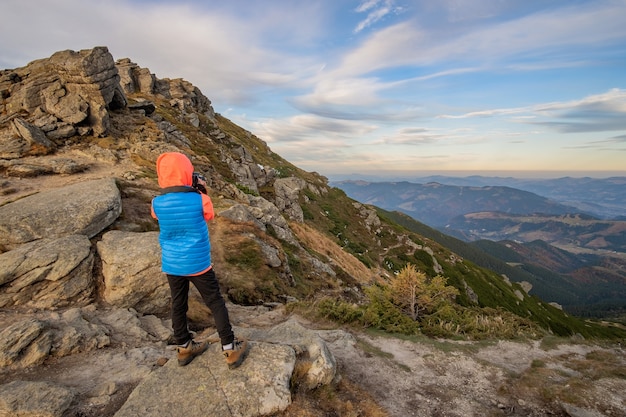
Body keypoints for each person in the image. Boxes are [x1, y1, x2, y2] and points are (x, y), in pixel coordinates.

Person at [151, 151, 248, 369]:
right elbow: (209, 215)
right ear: (187, 173)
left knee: (178, 303)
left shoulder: (157, 203)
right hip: (198, 263)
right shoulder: (199, 199)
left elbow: (157, 216)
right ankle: (230, 347)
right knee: (214, 302)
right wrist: (200, 190)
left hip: (172, 264)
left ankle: (184, 347)